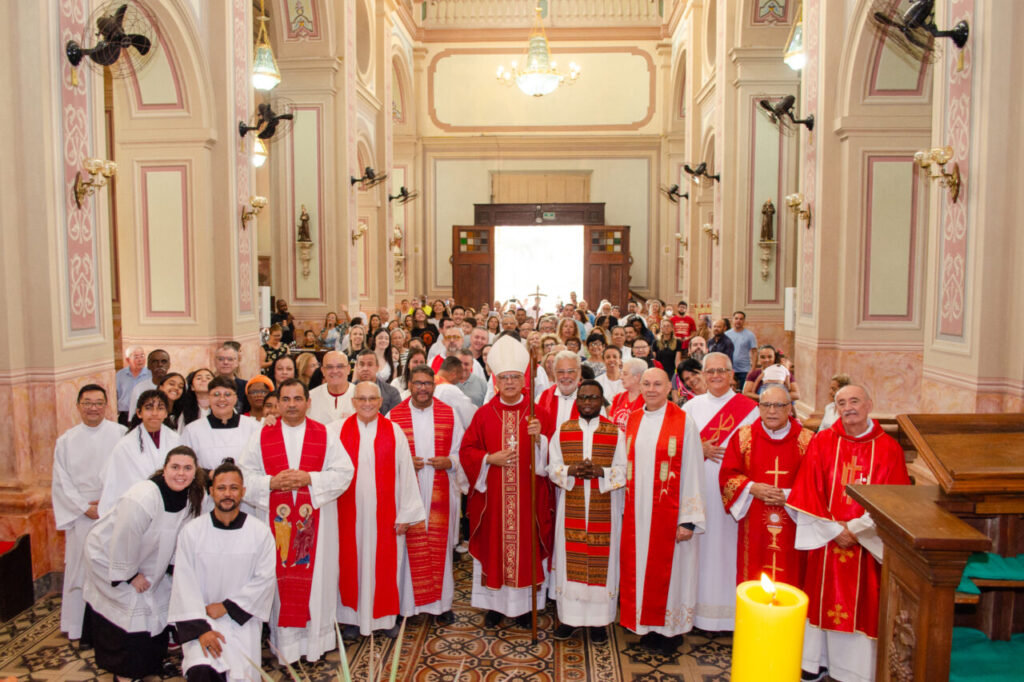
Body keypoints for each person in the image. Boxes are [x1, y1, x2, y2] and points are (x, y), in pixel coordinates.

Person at [788, 385, 910, 682]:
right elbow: (807, 489)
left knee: (864, 602)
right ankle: (815, 662)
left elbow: (896, 499)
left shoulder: (888, 448)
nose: (848, 407)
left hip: (867, 542)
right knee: (819, 597)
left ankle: (854, 672)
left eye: (854, 401)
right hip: (826, 539)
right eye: (841, 402)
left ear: (869, 405)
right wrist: (833, 530)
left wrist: (855, 530)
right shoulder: (823, 442)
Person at [239, 379, 354, 665]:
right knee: (281, 582)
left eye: (297, 399)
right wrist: (271, 482)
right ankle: (286, 647)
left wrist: (309, 479)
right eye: (286, 399)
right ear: (277, 403)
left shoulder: (324, 434)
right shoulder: (261, 435)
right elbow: (244, 476)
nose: (292, 405)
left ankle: (317, 643)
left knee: (317, 583)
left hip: (317, 526)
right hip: (275, 526)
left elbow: (344, 472)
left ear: (308, 402)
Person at [83, 446, 205, 681]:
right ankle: (126, 673)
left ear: (195, 471)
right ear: (164, 469)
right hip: (110, 558)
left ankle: (147, 666)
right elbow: (123, 537)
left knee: (155, 608)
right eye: (175, 467)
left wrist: (172, 567)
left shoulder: (191, 496)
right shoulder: (144, 496)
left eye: (187, 468)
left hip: (148, 560)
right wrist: (129, 575)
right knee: (130, 613)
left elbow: (178, 534)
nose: (181, 473)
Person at [459, 335, 553, 629]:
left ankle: (525, 608)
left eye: (514, 377)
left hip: (528, 499)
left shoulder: (540, 415)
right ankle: (494, 606)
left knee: (525, 547)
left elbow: (553, 461)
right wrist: (488, 459)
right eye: (504, 378)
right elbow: (466, 451)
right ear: (495, 380)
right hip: (494, 501)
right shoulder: (484, 414)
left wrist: (541, 440)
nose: (510, 382)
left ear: (524, 378)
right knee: (494, 548)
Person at [619, 368, 705, 655]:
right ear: (640, 386)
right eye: (646, 383)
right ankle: (645, 626)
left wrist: (689, 520)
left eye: (658, 384)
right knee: (639, 569)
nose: (652, 389)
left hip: (670, 514)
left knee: (673, 572)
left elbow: (693, 469)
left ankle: (670, 631)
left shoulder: (683, 422)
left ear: (670, 387)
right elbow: (622, 466)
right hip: (636, 513)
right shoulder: (633, 419)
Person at [168, 459, 277, 682]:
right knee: (203, 668)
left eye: (234, 488)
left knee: (241, 675)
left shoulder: (260, 533)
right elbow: (183, 585)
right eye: (221, 488)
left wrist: (226, 607)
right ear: (211, 492)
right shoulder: (192, 532)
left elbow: (264, 581)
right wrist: (201, 629)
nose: (227, 493)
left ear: (243, 492)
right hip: (201, 619)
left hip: (241, 621)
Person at [336, 382, 426, 639]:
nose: (367, 403)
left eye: (372, 399)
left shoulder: (394, 431)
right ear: (353, 401)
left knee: (385, 565)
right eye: (361, 399)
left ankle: (385, 620)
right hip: (347, 515)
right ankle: (351, 620)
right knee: (349, 565)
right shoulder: (337, 431)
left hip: (386, 515)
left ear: (380, 401)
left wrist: (406, 513)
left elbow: (406, 473)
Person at [682, 352, 759, 632]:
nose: (715, 376)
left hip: (733, 493)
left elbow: (757, 448)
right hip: (698, 487)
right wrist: (698, 448)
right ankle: (698, 613)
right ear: (703, 374)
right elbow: (676, 445)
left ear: (732, 374)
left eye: (721, 370)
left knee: (729, 550)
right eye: (710, 371)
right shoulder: (690, 407)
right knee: (698, 549)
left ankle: (729, 615)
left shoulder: (749, 408)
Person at [547, 380, 626, 643]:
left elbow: (625, 471)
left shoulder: (615, 432)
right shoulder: (563, 431)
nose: (587, 402)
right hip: (572, 506)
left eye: (593, 398)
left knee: (604, 562)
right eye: (583, 398)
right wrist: (570, 471)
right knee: (570, 563)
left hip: (604, 508)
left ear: (601, 400)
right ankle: (569, 620)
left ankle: (599, 623)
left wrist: (600, 472)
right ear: (577, 401)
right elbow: (552, 467)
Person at [392, 366, 467, 626]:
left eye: (427, 383)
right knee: (407, 548)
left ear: (434, 386)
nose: (423, 388)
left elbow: (462, 451)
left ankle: (441, 606)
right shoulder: (395, 415)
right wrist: (403, 462)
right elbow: (387, 455)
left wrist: (450, 461)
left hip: (440, 488)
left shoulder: (449, 413)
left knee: (440, 547)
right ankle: (406, 606)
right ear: (409, 385)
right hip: (408, 491)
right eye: (417, 383)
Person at [52, 385, 127, 641]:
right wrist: (85, 507)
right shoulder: (66, 440)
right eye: (87, 403)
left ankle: (111, 628)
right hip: (81, 514)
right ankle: (78, 627)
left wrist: (106, 504)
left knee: (111, 568)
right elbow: (61, 481)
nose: (93, 408)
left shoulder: (121, 434)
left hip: (113, 512)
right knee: (79, 569)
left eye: (98, 403)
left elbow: (127, 473)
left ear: (107, 405)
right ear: (78, 406)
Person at [718, 385, 810, 586]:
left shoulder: (807, 440)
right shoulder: (743, 437)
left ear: (789, 408)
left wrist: (788, 495)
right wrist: (751, 488)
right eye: (766, 405)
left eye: (778, 405)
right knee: (753, 575)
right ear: (758, 408)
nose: (772, 411)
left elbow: (816, 484)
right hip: (754, 523)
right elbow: (727, 476)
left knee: (791, 578)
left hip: (793, 523)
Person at [99, 390, 183, 515]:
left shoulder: (176, 439)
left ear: (166, 413)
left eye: (160, 408)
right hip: (138, 506)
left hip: (171, 503)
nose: (154, 413)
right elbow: (114, 480)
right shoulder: (125, 445)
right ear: (139, 413)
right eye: (149, 408)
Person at [182, 377, 262, 472]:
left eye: (227, 394)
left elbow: (261, 461)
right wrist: (209, 474)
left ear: (235, 398)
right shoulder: (192, 430)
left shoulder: (253, 427)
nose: (222, 399)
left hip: (246, 484)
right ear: (209, 398)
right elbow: (184, 463)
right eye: (216, 394)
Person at [536, 350, 583, 435]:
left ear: (579, 372)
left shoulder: (589, 398)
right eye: (560, 372)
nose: (565, 376)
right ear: (554, 373)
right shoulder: (541, 398)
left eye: (570, 371)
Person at [307, 351, 355, 425]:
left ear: (348, 369)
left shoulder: (362, 396)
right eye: (329, 367)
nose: (335, 371)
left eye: (340, 366)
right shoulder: (310, 397)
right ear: (323, 371)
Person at [352, 349, 401, 414]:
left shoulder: (391, 393)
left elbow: (396, 419)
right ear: (357, 367)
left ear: (377, 367)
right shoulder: (349, 391)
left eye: (370, 365)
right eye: (361, 364)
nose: (365, 369)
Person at [127, 349, 171, 413]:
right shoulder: (139, 388)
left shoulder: (178, 387)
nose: (160, 365)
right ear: (149, 365)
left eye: (164, 361)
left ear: (169, 365)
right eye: (155, 362)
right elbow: (132, 416)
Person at [609, 358, 647, 431]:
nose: (621, 377)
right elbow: (610, 426)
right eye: (621, 374)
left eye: (625, 374)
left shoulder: (647, 400)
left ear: (637, 377)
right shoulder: (618, 398)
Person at [116, 346, 150, 425]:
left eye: (142, 356)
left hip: (144, 414)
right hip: (124, 415)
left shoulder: (150, 374)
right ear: (128, 360)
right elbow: (116, 395)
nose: (140, 360)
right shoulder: (120, 375)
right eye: (136, 357)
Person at [214, 343, 250, 414]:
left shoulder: (246, 386)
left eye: (230, 359)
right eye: (221, 359)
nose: (225, 362)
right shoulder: (209, 385)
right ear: (215, 362)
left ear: (237, 363)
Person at [724, 311, 758, 387]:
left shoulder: (750, 335)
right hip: (729, 369)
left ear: (744, 321)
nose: (738, 321)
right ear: (732, 320)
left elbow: (754, 352)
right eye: (736, 318)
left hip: (744, 370)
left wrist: (753, 369)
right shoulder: (726, 334)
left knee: (743, 393)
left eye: (741, 319)